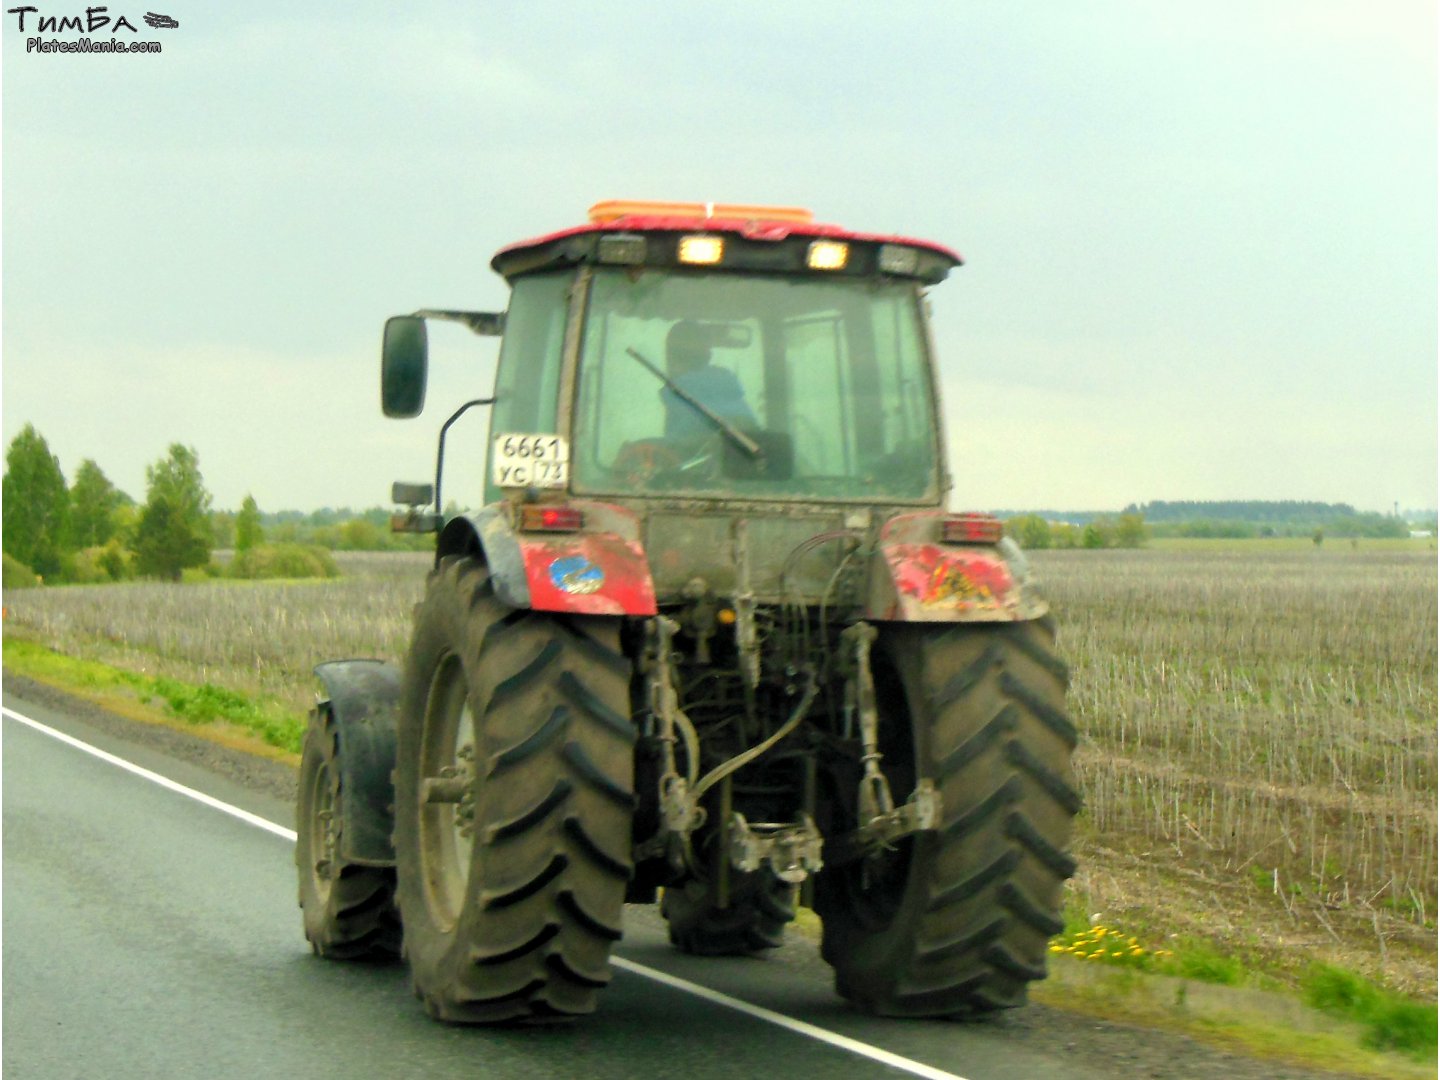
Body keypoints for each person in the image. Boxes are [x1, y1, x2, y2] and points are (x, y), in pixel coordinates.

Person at [660, 320, 758, 444]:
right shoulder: (737, 402)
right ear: (708, 356)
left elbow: (675, 452)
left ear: (673, 360)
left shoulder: (682, 402)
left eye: (670, 355)